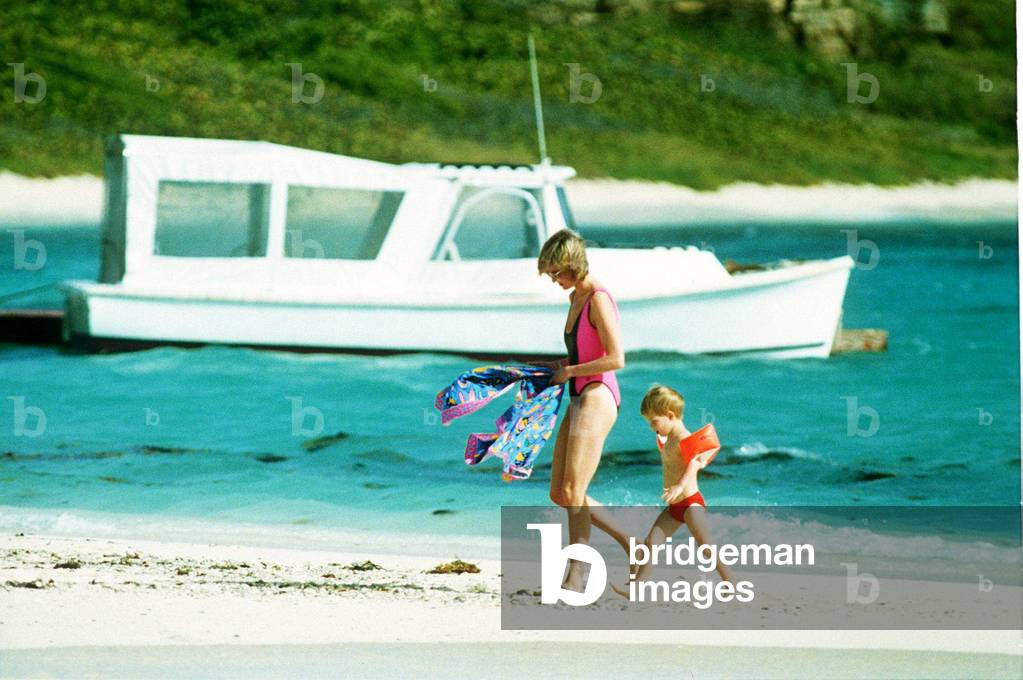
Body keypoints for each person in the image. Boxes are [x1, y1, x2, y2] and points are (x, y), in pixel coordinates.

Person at [535, 228, 630, 592]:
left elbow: (616, 358)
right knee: (559, 493)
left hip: (597, 394)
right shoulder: (575, 297)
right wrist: (556, 368)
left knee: (574, 489)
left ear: (572, 264)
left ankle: (576, 576)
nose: (553, 280)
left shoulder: (598, 298)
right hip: (578, 393)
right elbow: (584, 353)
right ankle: (630, 543)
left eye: (556, 272)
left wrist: (570, 372)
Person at [612, 385, 732, 595]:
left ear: (670, 415)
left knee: (706, 548)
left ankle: (730, 582)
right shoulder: (667, 440)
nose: (651, 427)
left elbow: (694, 464)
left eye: (654, 421)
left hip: (690, 503)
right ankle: (636, 587)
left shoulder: (685, 439)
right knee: (651, 543)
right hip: (674, 506)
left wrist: (679, 485)